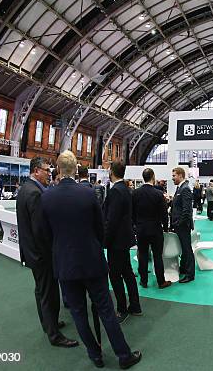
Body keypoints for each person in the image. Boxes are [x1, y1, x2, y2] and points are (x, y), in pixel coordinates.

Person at [41, 151, 142, 369]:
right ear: (76, 169)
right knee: (106, 310)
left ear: (58, 169)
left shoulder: (47, 196)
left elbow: (45, 234)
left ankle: (95, 355)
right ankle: (123, 355)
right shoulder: (88, 194)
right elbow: (99, 229)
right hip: (92, 262)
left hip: (65, 265)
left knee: (78, 313)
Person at [16, 156, 78, 349]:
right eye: (46, 170)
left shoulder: (26, 189)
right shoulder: (35, 193)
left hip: (33, 253)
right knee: (48, 293)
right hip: (41, 255)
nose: (49, 174)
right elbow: (40, 230)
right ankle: (54, 335)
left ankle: (48, 323)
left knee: (41, 291)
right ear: (36, 170)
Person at [104, 161, 141, 323]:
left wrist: (105, 240)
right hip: (124, 239)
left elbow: (112, 220)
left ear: (112, 171)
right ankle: (135, 305)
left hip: (116, 242)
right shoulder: (126, 190)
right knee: (127, 273)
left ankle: (121, 309)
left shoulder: (116, 191)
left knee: (115, 275)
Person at [132, 168, 171, 290]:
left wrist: (136, 225)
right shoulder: (158, 194)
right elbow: (164, 213)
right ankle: (161, 281)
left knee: (142, 255)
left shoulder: (135, 193)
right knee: (157, 256)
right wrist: (165, 227)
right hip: (155, 229)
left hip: (141, 229)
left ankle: (143, 281)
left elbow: (132, 212)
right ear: (153, 177)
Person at [170, 167, 195, 283]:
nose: (172, 178)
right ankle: (184, 269)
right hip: (180, 225)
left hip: (183, 226)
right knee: (184, 249)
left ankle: (190, 274)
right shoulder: (180, 188)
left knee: (187, 249)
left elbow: (187, 210)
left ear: (180, 175)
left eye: (174, 175)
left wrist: (179, 223)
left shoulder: (185, 189)